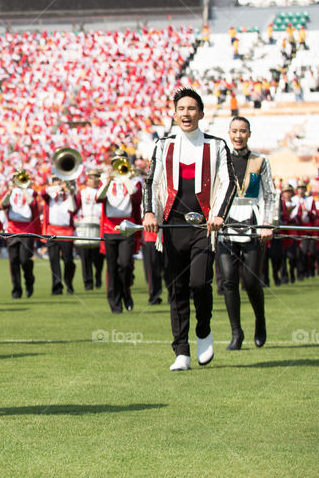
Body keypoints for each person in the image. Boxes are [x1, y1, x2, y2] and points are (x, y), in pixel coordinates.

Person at [143, 88, 234, 371]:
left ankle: (204, 330)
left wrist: (218, 215)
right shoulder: (162, 146)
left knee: (199, 282)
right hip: (172, 226)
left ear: (201, 113)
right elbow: (151, 182)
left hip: (204, 227)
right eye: (181, 108)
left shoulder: (216, 146)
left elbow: (229, 183)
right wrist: (149, 212)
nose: (186, 113)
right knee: (177, 288)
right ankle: (181, 350)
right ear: (174, 113)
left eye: (192, 108)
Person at [218, 116, 275, 350]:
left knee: (250, 281)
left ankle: (260, 321)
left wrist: (267, 223)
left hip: (253, 226)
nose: (238, 135)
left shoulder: (260, 161)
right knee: (229, 280)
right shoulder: (220, 161)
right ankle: (236, 333)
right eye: (234, 131)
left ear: (249, 134)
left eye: (243, 131)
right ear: (229, 134)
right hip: (225, 228)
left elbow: (269, 194)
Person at [98, 150, 142, 313]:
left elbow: (136, 197)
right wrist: (108, 182)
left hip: (127, 228)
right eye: (116, 161)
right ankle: (114, 303)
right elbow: (99, 198)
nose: (119, 165)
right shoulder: (105, 180)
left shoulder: (134, 180)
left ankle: (126, 292)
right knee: (112, 267)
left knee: (125, 265)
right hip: (110, 228)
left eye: (122, 161)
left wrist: (125, 178)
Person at [0, 170, 40, 299]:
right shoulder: (10, 192)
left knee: (24, 260)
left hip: (27, 229)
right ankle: (16, 289)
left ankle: (29, 281)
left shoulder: (31, 192)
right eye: (15, 178)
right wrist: (9, 192)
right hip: (12, 229)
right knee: (13, 261)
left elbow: (32, 204)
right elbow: (3, 205)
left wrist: (24, 189)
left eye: (20, 178)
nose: (17, 180)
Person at [41, 175, 77, 294]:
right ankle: (56, 287)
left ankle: (68, 283)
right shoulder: (51, 195)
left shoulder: (70, 195)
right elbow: (43, 192)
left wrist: (69, 191)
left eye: (61, 180)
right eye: (56, 180)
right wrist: (57, 187)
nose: (59, 182)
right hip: (52, 231)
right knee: (53, 260)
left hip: (67, 232)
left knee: (68, 261)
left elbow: (74, 209)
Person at [77, 168, 104, 290]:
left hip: (99, 223)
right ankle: (88, 282)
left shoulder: (102, 191)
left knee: (99, 256)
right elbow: (75, 207)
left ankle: (98, 275)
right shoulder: (82, 193)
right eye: (91, 178)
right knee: (85, 255)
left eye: (96, 177)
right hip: (85, 224)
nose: (93, 180)